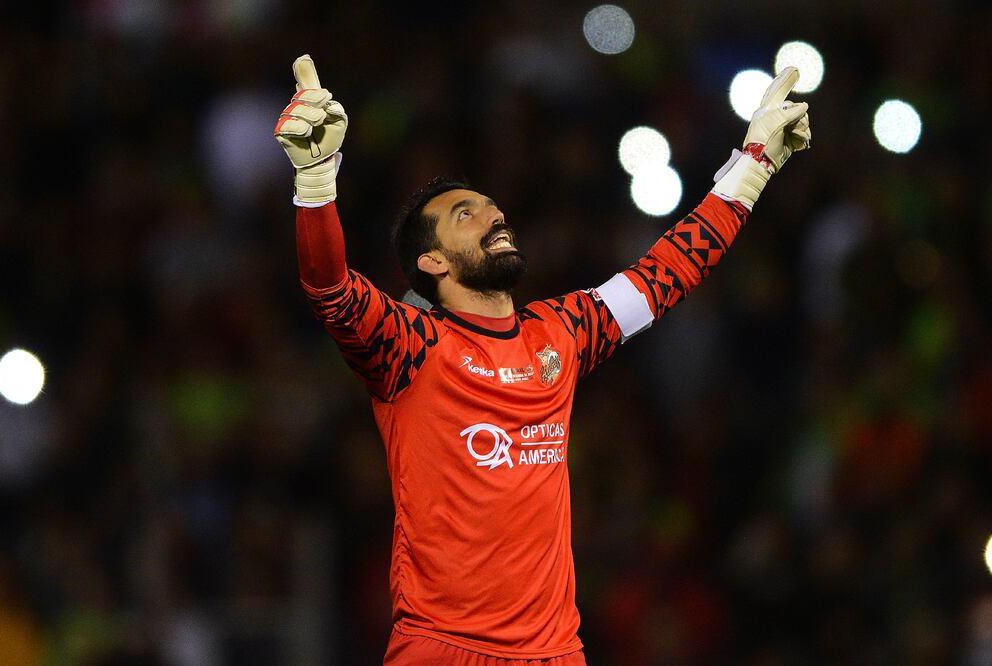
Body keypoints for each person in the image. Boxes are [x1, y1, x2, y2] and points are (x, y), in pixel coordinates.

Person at [275, 54, 810, 665]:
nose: (493, 215)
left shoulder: (561, 332)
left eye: (490, 206)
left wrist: (754, 166)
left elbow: (668, 272)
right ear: (432, 262)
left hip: (554, 654)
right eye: (464, 214)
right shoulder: (411, 348)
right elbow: (331, 290)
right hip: (443, 650)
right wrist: (315, 183)